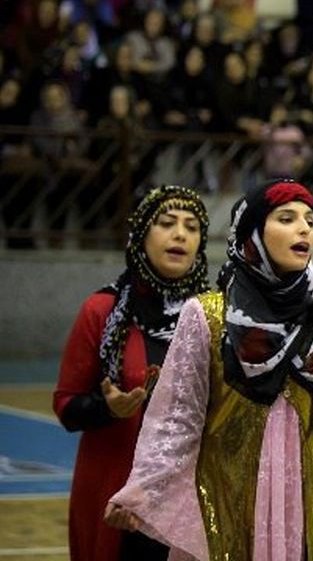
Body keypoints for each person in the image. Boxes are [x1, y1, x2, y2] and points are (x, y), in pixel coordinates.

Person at [106, 180, 313, 560]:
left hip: (299, 511)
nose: (304, 228)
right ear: (252, 233)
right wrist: (144, 489)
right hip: (224, 501)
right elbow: (177, 419)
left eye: (310, 221)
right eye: (286, 218)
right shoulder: (209, 315)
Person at [54, 187, 209, 561]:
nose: (180, 234)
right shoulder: (103, 310)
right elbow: (67, 406)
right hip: (117, 494)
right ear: (140, 235)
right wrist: (109, 409)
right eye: (166, 223)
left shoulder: (212, 314)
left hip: (187, 499)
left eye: (191, 227)